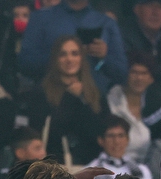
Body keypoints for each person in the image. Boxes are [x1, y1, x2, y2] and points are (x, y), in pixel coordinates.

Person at [18, 35, 108, 166]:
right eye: (63, 54)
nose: (69, 59)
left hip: (92, 168)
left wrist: (81, 102)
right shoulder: (40, 94)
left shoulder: (96, 94)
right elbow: (46, 135)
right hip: (56, 168)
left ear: (82, 58)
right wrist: (69, 98)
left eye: (75, 54)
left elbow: (100, 132)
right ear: (55, 59)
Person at [18, 0, 127, 95]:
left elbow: (122, 74)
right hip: (50, 100)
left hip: (94, 104)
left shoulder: (106, 23)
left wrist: (104, 57)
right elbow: (25, 64)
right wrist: (59, 55)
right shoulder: (40, 19)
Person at [106, 53, 156, 164]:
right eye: (134, 72)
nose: (139, 78)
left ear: (151, 78)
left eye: (144, 73)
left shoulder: (155, 105)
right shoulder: (110, 103)